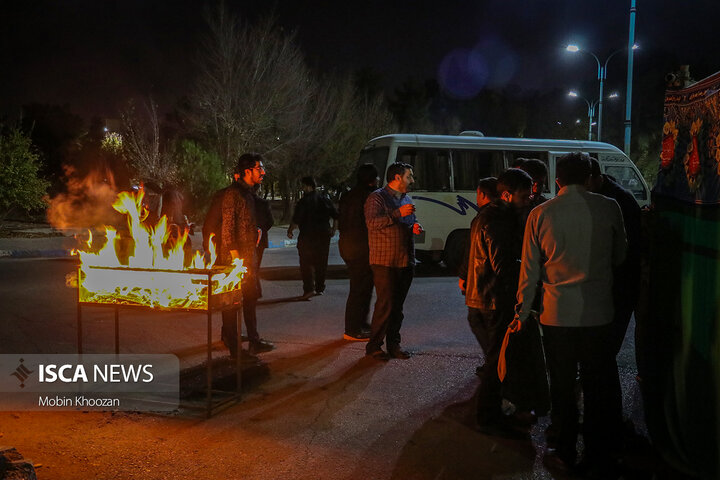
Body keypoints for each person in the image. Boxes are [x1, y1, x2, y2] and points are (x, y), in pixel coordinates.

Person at [510, 152, 627, 475]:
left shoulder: (541, 213)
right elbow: (620, 256)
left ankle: (563, 449)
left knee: (561, 385)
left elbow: (530, 272)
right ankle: (598, 451)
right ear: (590, 177)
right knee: (597, 385)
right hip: (599, 314)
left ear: (557, 179)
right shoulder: (609, 207)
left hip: (556, 314)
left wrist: (521, 314)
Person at [458, 171, 532, 436]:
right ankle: (488, 416)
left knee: (496, 360)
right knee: (495, 363)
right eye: (525, 196)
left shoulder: (488, 215)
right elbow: (503, 265)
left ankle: (493, 412)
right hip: (493, 300)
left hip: (483, 297)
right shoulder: (499, 219)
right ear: (507, 195)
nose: (528, 201)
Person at [203, 152, 275, 357]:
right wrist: (235, 259)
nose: (263, 172)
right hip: (233, 259)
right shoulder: (232, 194)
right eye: (259, 168)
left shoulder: (249, 194)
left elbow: (251, 222)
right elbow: (227, 229)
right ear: (247, 171)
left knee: (250, 297)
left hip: (248, 257)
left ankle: (254, 340)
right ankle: (234, 347)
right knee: (231, 302)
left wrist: (259, 231)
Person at [364, 162, 423, 361]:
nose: (412, 180)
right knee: (385, 305)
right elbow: (372, 223)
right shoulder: (377, 198)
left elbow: (410, 221)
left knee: (397, 307)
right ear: (397, 178)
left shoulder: (406, 198)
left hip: (405, 261)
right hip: (384, 261)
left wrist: (414, 226)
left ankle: (394, 345)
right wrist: (398, 214)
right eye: (409, 176)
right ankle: (374, 346)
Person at [589, 158, 642, 355]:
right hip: (611, 280)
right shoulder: (607, 196)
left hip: (620, 282)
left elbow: (626, 247)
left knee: (607, 343)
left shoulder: (617, 201)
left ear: (593, 178)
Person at [338, 163, 379, 341]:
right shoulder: (368, 197)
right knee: (359, 289)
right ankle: (353, 329)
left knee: (362, 287)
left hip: (348, 246)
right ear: (371, 179)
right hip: (360, 247)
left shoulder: (348, 195)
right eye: (376, 177)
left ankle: (361, 323)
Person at [287, 176, 339, 299]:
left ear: (309, 186)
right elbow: (336, 215)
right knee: (321, 262)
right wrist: (333, 230)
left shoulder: (304, 202)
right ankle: (320, 287)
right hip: (323, 236)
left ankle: (309, 289)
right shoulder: (325, 199)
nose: (302, 188)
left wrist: (290, 231)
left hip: (307, 236)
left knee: (306, 263)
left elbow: (296, 219)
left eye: (304, 186)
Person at [253, 185, 274, 298]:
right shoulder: (264, 203)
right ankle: (256, 290)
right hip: (261, 240)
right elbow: (270, 221)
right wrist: (263, 230)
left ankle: (255, 290)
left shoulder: (245, 202)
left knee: (251, 266)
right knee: (256, 266)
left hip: (248, 239)